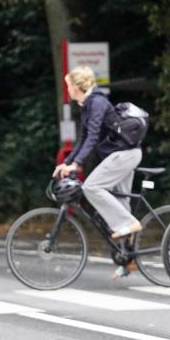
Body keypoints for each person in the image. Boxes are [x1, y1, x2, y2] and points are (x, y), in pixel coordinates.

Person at [52, 66, 143, 240]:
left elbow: (92, 137)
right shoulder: (88, 105)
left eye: (68, 86)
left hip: (125, 154)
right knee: (120, 201)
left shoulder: (97, 103)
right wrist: (68, 162)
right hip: (122, 155)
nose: (68, 90)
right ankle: (127, 260)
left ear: (76, 88)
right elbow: (84, 138)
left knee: (91, 187)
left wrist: (76, 164)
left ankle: (130, 224)